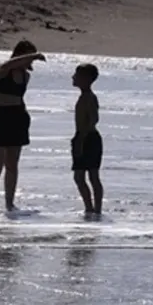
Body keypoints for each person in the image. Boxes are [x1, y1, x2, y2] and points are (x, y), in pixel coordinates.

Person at [0, 40, 45, 213]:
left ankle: (9, 203)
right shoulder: (3, 70)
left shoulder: (26, 76)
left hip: (17, 118)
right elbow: (10, 63)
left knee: (12, 164)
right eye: (28, 57)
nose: (30, 62)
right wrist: (33, 55)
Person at [70, 64, 103, 219]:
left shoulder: (89, 97)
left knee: (92, 176)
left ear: (86, 79)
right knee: (80, 177)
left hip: (88, 138)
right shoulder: (84, 96)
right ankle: (89, 208)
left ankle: (96, 209)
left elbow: (93, 119)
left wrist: (81, 139)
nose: (73, 77)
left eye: (77, 75)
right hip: (82, 137)